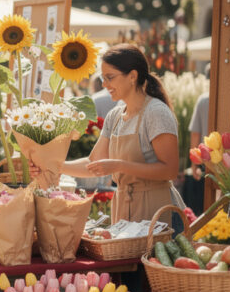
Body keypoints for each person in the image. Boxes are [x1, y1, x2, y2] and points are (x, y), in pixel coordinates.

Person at [58, 43, 183, 224]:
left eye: (110, 77)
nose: (104, 84)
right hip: (125, 211)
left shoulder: (156, 113)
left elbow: (170, 170)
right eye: (103, 78)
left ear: (132, 76)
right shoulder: (115, 116)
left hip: (158, 212)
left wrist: (119, 166)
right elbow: (93, 164)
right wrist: (55, 165)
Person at [184, 92, 210, 212]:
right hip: (229, 163)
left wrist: (194, 163)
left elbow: (195, 133)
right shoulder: (228, 97)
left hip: (205, 164)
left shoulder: (203, 100)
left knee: (204, 207)